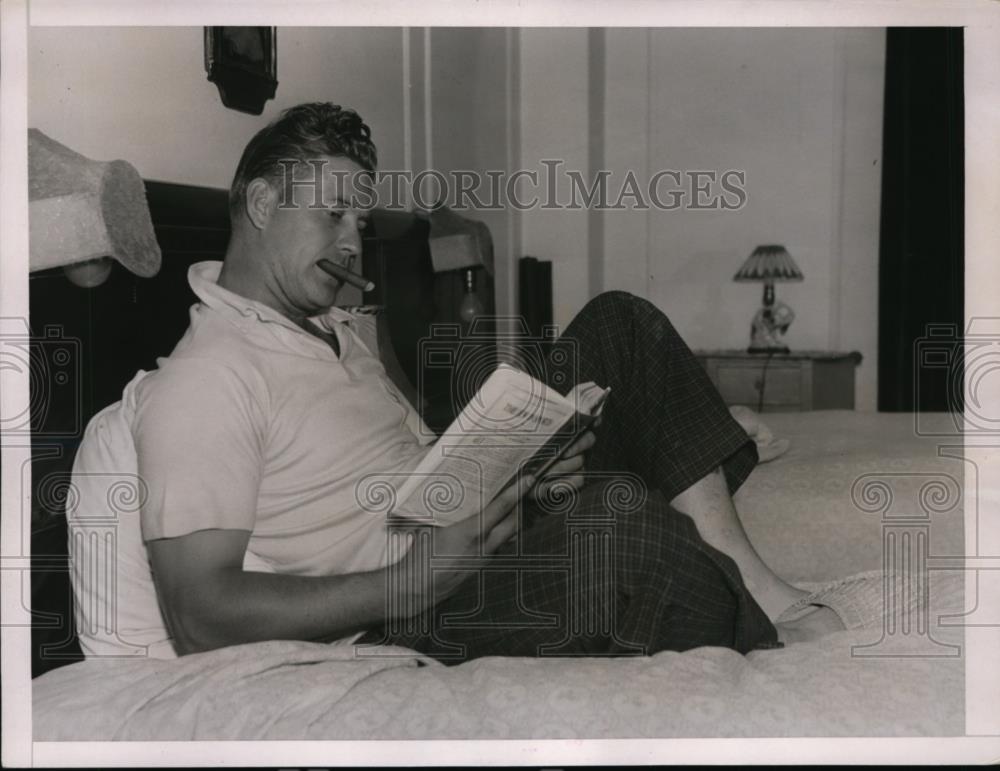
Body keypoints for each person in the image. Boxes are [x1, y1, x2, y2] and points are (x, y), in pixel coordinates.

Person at [67, 102, 841, 663]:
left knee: (619, 323)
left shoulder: (336, 331)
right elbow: (199, 611)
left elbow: (415, 472)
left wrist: (528, 471)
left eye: (359, 226)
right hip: (405, 610)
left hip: (461, 533)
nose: (350, 245)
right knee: (620, 523)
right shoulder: (206, 380)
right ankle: (757, 627)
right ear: (264, 202)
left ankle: (761, 587)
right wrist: (410, 581)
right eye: (334, 214)